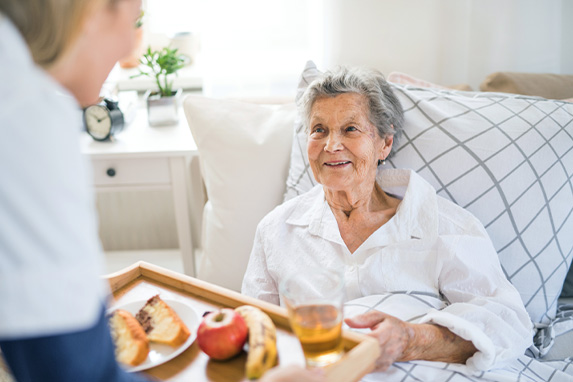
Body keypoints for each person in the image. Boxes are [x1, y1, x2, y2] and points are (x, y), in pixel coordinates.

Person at [0, 1, 323, 381]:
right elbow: (75, 372)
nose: (127, 50)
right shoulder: (26, 115)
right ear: (91, 9)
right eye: (134, 21)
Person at [242, 67, 534, 372]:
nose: (331, 145)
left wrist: (410, 339)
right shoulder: (276, 230)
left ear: (385, 143)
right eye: (319, 130)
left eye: (350, 129)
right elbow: (253, 329)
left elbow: (508, 321)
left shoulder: (444, 226)